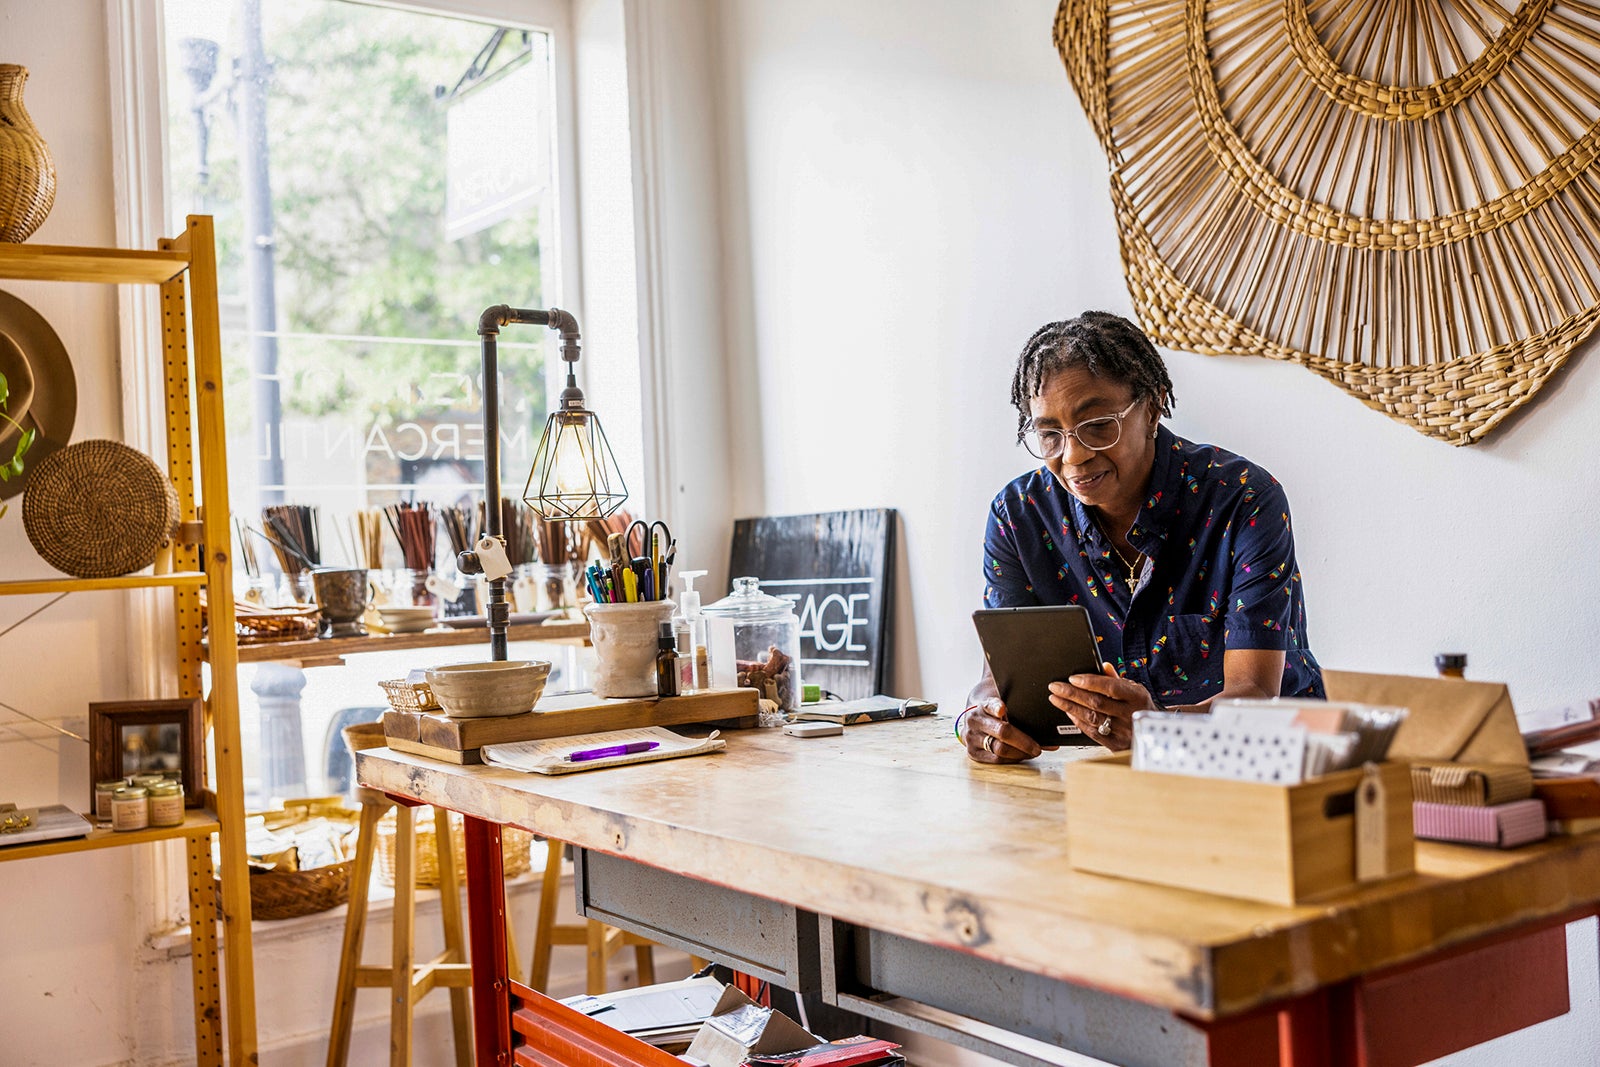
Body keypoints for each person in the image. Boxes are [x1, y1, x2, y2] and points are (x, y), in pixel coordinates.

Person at [960, 312, 1323, 763]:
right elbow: (998, 679)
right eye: (1050, 434)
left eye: (1097, 426)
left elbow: (1253, 694)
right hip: (1109, 778)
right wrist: (981, 720)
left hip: (1267, 767)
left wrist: (1157, 729)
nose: (1073, 455)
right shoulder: (1020, 516)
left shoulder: (1243, 500)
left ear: (1151, 408)